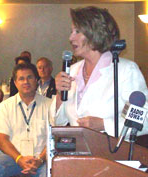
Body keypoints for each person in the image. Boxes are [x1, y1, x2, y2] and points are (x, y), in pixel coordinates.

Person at [52, 6, 148, 137]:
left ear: (95, 33)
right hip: (77, 154)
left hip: (111, 154)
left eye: (77, 31)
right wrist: (59, 94)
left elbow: (144, 120)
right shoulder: (72, 70)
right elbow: (58, 121)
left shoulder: (126, 71)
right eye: (71, 32)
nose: (70, 38)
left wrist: (104, 124)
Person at [0, 63, 53, 177]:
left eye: (29, 77)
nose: (26, 82)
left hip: (41, 160)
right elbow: (2, 141)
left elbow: (53, 138)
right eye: (21, 78)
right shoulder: (5, 106)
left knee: (50, 171)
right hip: (13, 159)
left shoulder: (50, 105)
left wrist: (40, 160)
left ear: (36, 80)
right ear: (15, 83)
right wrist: (19, 159)